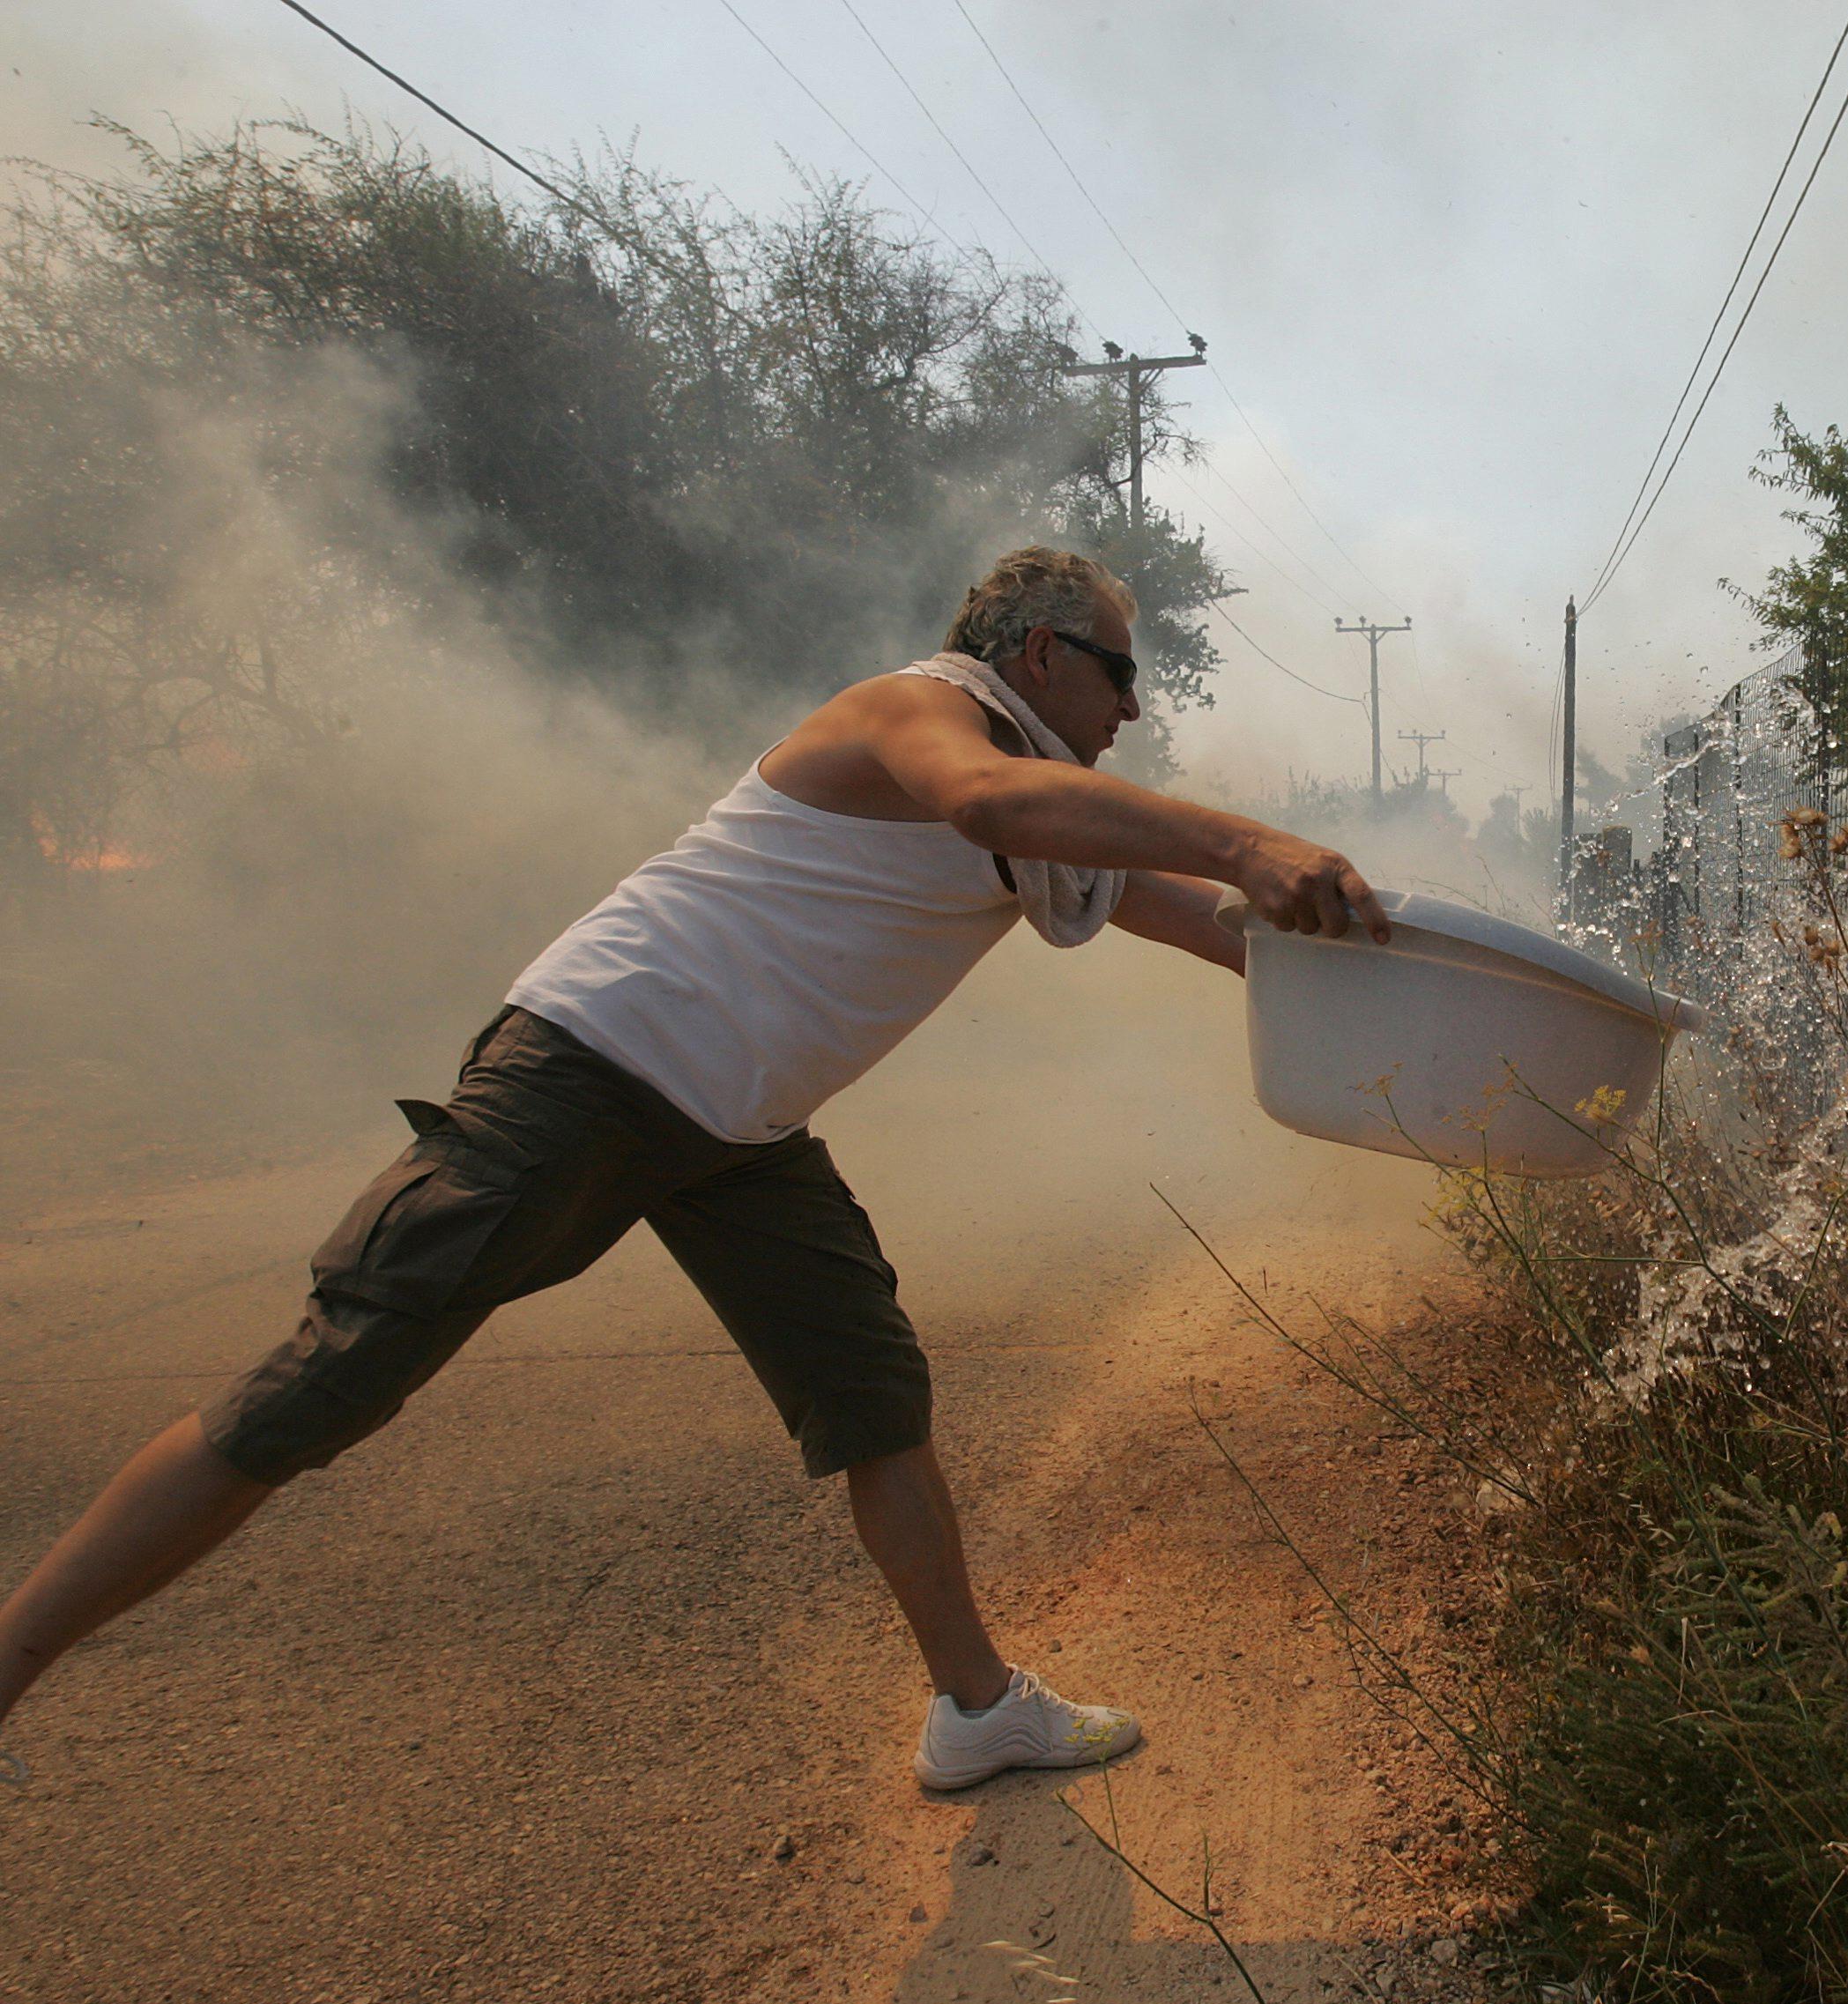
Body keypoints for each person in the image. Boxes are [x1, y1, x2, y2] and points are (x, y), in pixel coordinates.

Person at [0, 545, 1390, 1792]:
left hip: (739, 1132)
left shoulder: (1055, 818)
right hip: (596, 1064)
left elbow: (1205, 921)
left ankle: (977, 1711)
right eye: (1119, 672)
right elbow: (982, 804)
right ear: (1037, 655)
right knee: (327, 1378)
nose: (1133, 708)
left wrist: (1390, 978)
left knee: (871, 1392)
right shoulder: (926, 712)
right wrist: (1243, 835)